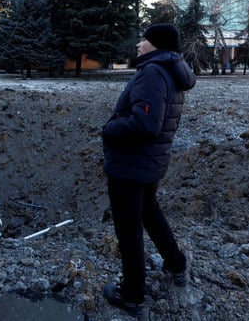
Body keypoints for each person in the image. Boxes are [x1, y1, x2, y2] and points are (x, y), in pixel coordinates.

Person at [101, 24, 196, 317]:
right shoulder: (169, 70)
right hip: (150, 162)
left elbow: (146, 124)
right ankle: (176, 264)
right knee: (149, 213)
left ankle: (132, 297)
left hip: (131, 165)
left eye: (143, 39)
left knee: (129, 231)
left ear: (156, 44)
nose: (138, 44)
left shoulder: (153, 73)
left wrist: (110, 128)